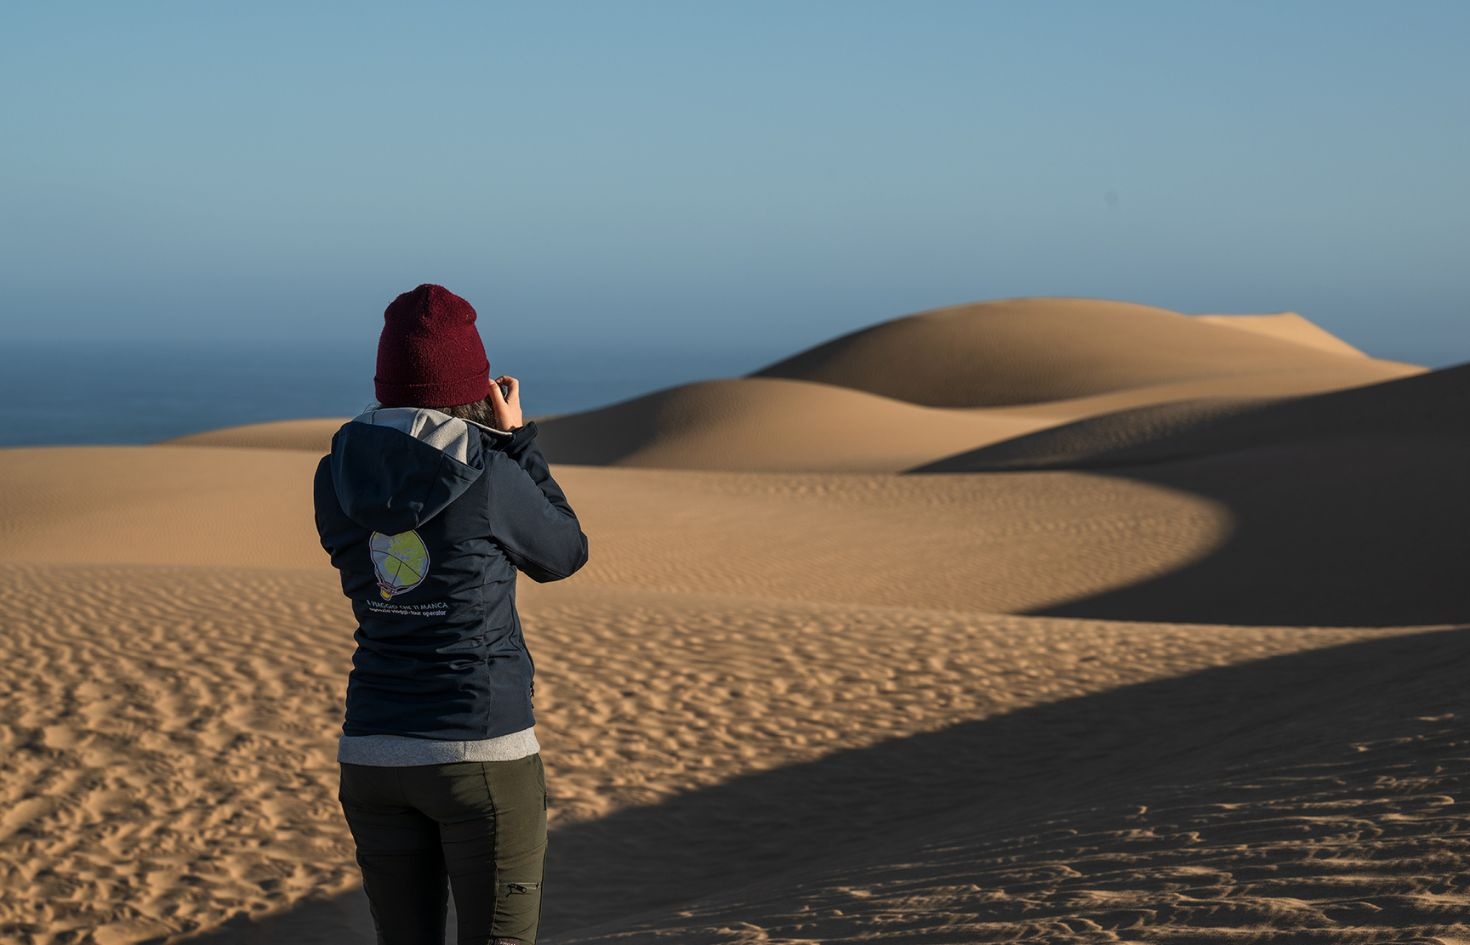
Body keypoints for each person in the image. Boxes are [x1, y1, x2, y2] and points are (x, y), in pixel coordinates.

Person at [313, 283, 589, 945]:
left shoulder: (335, 475)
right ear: (478, 387)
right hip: (479, 746)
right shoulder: (489, 473)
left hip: (372, 751)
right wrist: (518, 442)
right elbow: (564, 553)